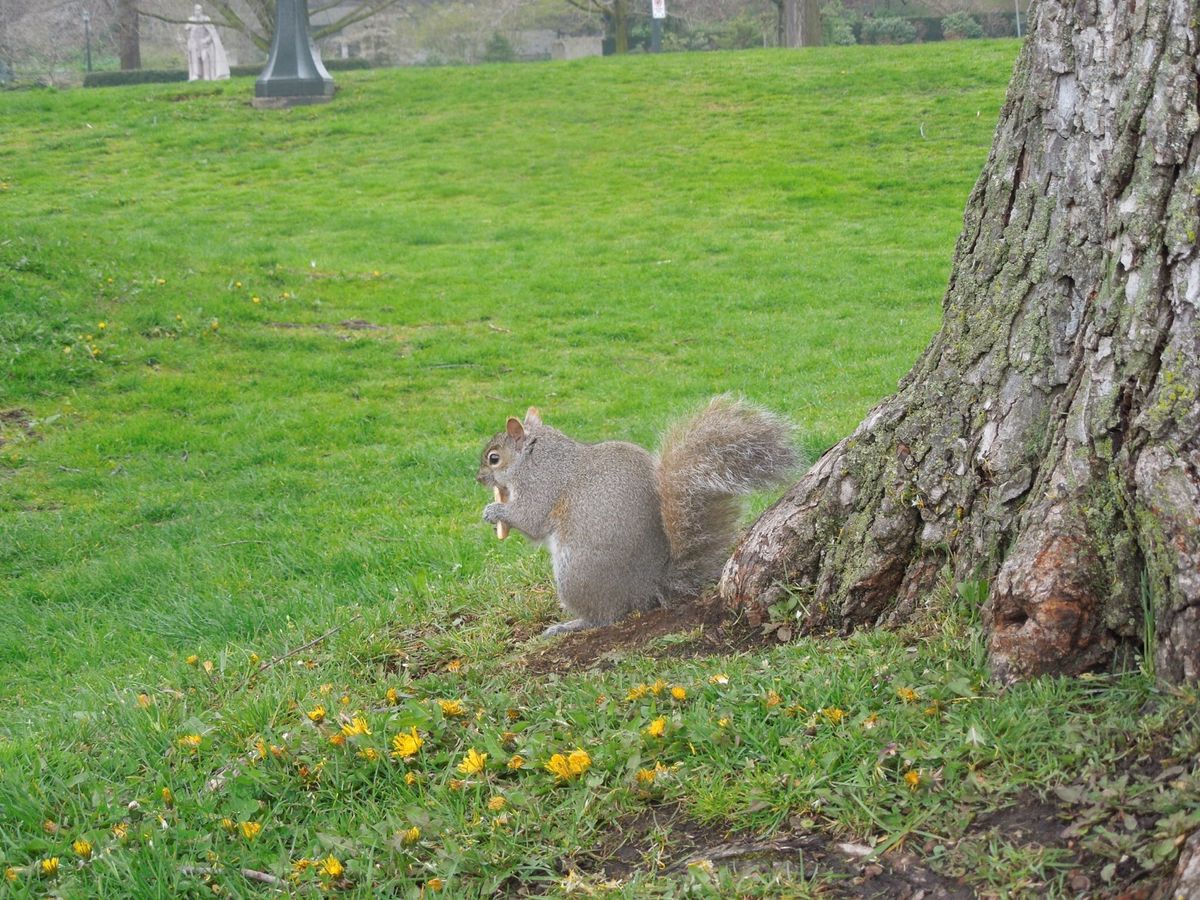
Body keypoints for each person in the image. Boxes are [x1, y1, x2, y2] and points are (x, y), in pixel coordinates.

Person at [186, 4, 230, 81]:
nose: (197, 12)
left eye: (199, 10)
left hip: (204, 44)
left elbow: (212, 32)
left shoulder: (206, 19)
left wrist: (206, 40)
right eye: (196, 10)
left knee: (205, 57)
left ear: (201, 11)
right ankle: (196, 75)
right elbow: (187, 28)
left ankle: (206, 75)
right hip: (195, 44)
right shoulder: (191, 19)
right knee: (195, 59)